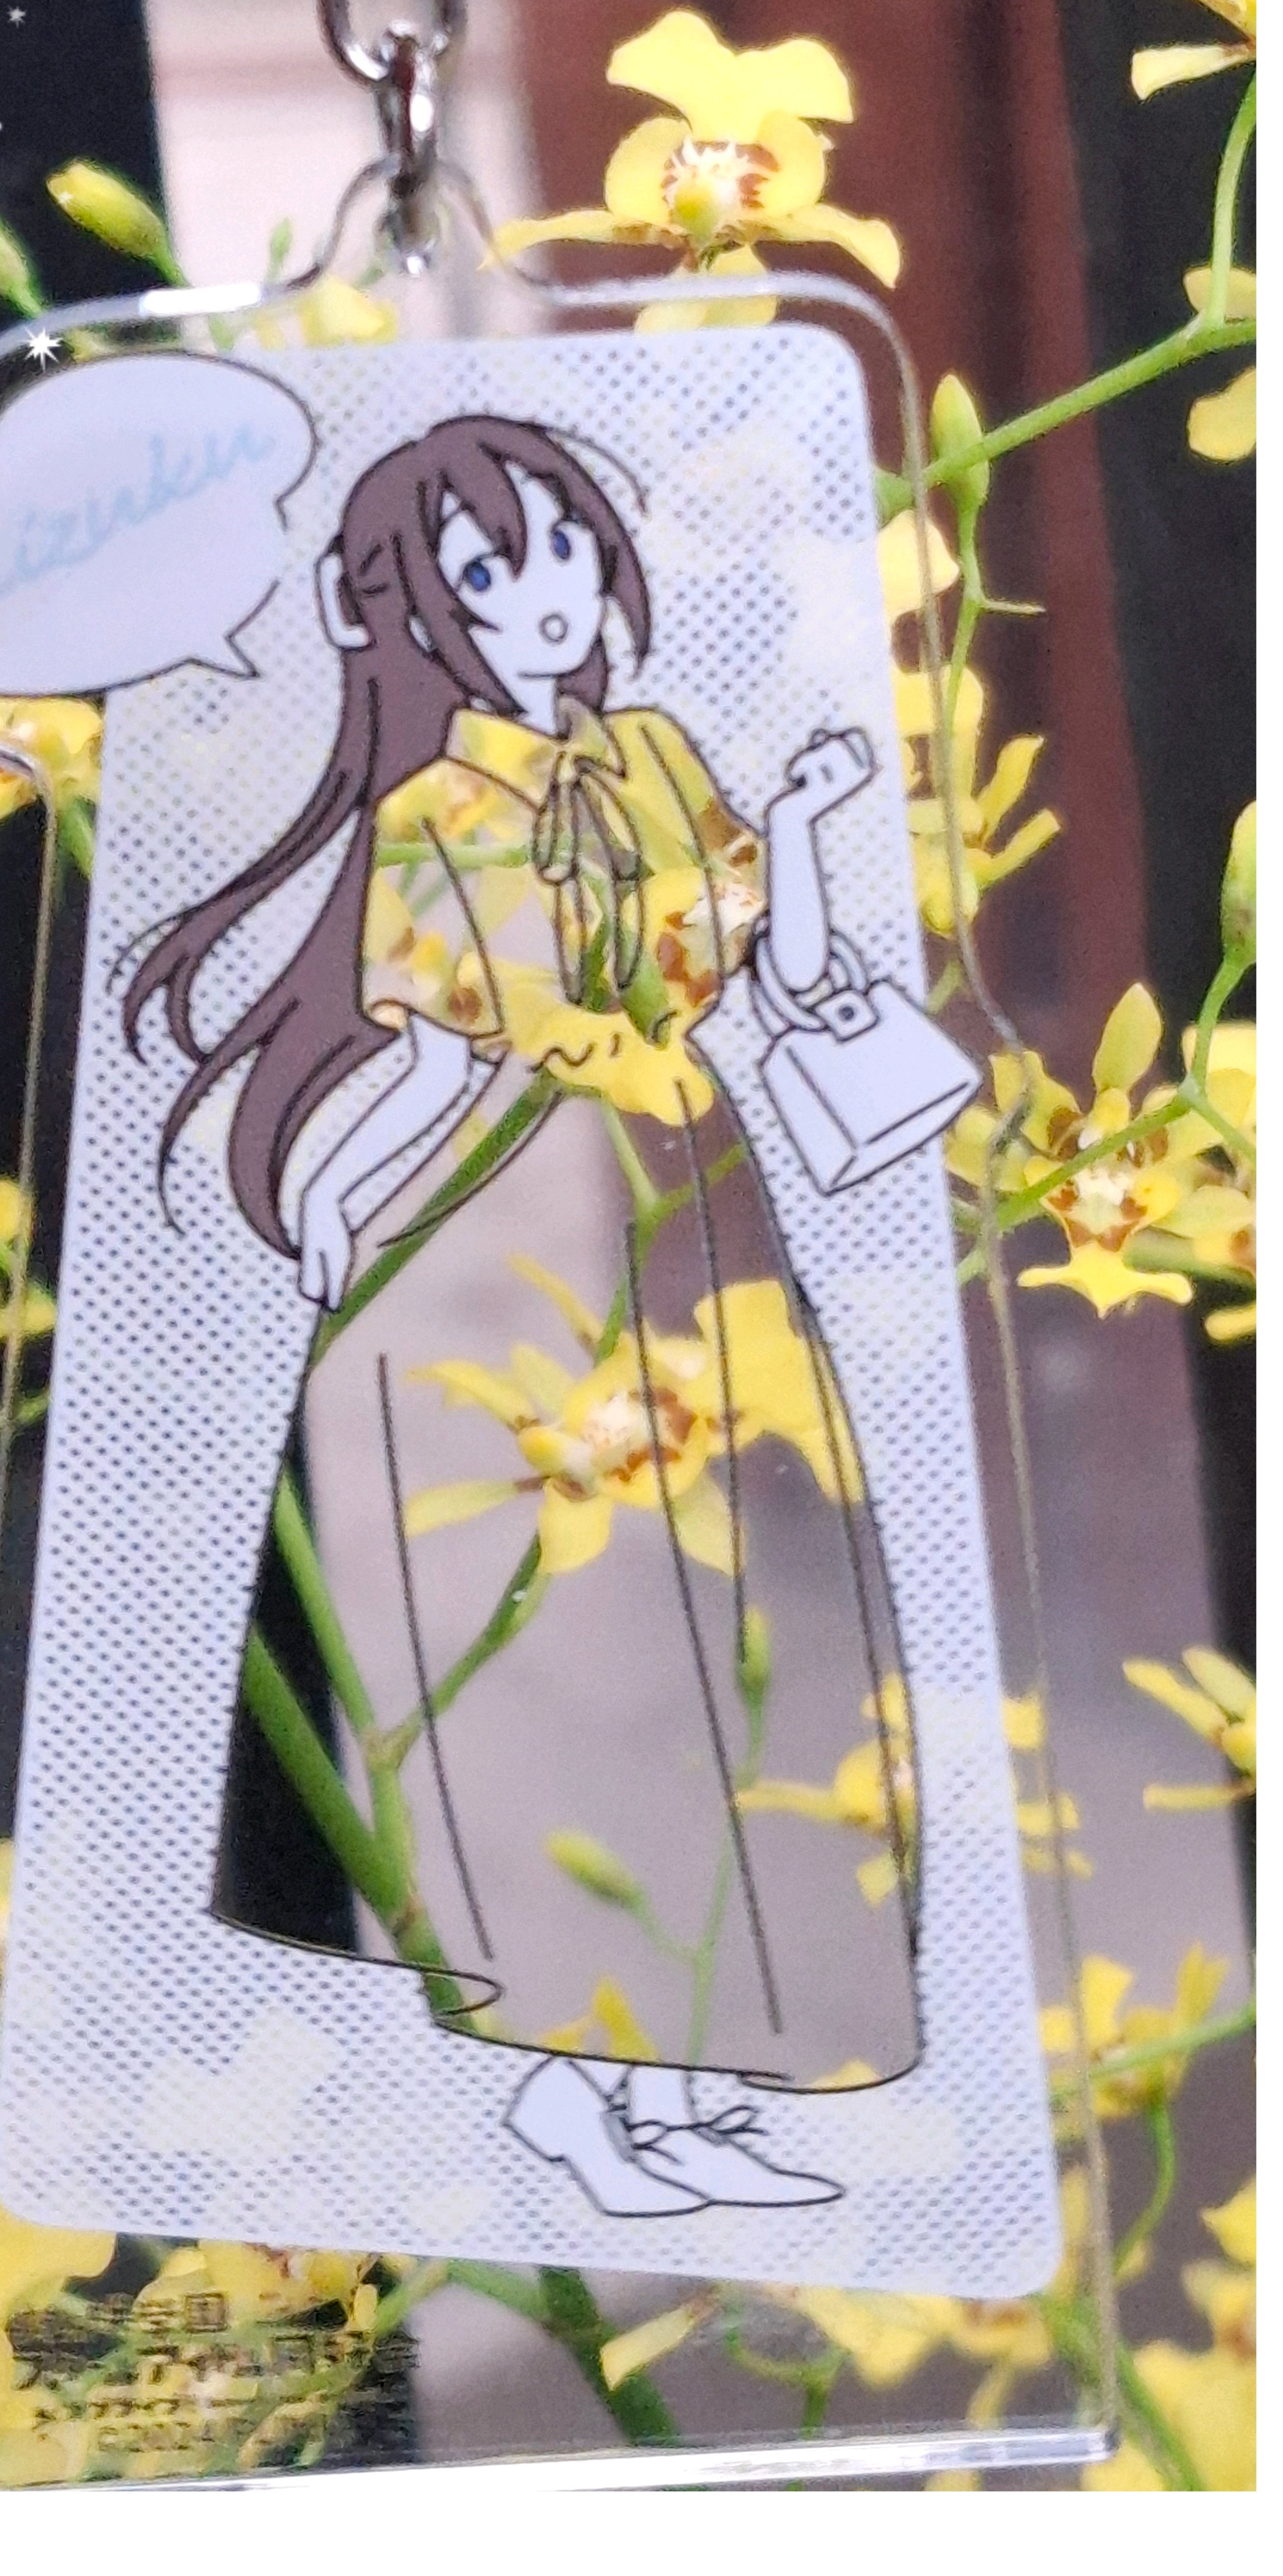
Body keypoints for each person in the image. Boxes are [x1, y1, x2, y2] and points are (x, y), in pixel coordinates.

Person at [126, 412, 925, 2217]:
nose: (544, 594)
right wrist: (326, 1208)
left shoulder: (654, 754)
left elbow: (779, 969)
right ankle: (558, 2108)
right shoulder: (434, 813)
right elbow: (425, 1056)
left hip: (676, 1190)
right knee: (483, 1704)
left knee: (720, 1691)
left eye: (560, 544)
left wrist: (805, 829)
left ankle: (692, 2090)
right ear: (421, 617)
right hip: (481, 1220)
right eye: (486, 571)